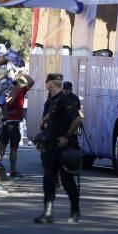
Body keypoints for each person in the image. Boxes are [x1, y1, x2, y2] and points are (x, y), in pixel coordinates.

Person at [35, 79, 82, 224]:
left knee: (67, 181)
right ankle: (47, 213)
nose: (47, 86)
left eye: (49, 84)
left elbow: (77, 119)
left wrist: (67, 137)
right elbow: (46, 122)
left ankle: (75, 211)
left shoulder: (66, 100)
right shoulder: (50, 101)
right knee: (48, 181)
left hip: (64, 146)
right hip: (50, 147)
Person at [0, 68, 35, 177]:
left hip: (4, 121)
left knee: (2, 147)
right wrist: (23, 73)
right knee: (13, 148)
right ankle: (13, 171)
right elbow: (32, 82)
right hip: (13, 123)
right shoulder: (19, 89)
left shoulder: (4, 89)